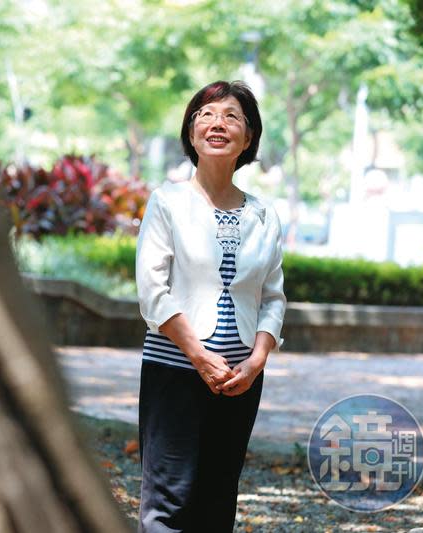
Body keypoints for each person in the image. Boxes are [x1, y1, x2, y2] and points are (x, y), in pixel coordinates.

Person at [135, 80, 286, 532]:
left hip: (240, 381)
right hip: (175, 370)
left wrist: (256, 362)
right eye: (205, 113)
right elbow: (152, 291)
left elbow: (273, 296)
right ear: (191, 131)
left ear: (249, 137)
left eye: (231, 115)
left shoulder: (264, 215)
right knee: (168, 503)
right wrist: (199, 357)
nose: (217, 122)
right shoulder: (168, 202)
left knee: (218, 500)